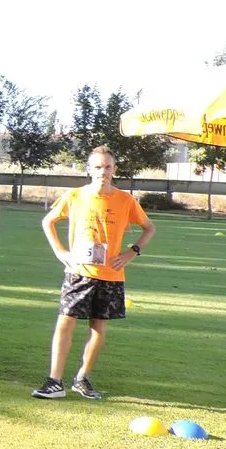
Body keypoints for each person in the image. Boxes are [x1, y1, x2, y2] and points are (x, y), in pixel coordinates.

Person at [32, 145, 154, 400]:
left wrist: (132, 251)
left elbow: (148, 228)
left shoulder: (125, 200)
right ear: (89, 169)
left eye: (108, 167)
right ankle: (55, 381)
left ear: (114, 169)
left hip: (111, 274)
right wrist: (60, 252)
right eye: (98, 167)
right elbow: (48, 221)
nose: (103, 172)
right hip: (79, 271)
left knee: (98, 327)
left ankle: (82, 378)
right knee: (65, 320)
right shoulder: (75, 196)